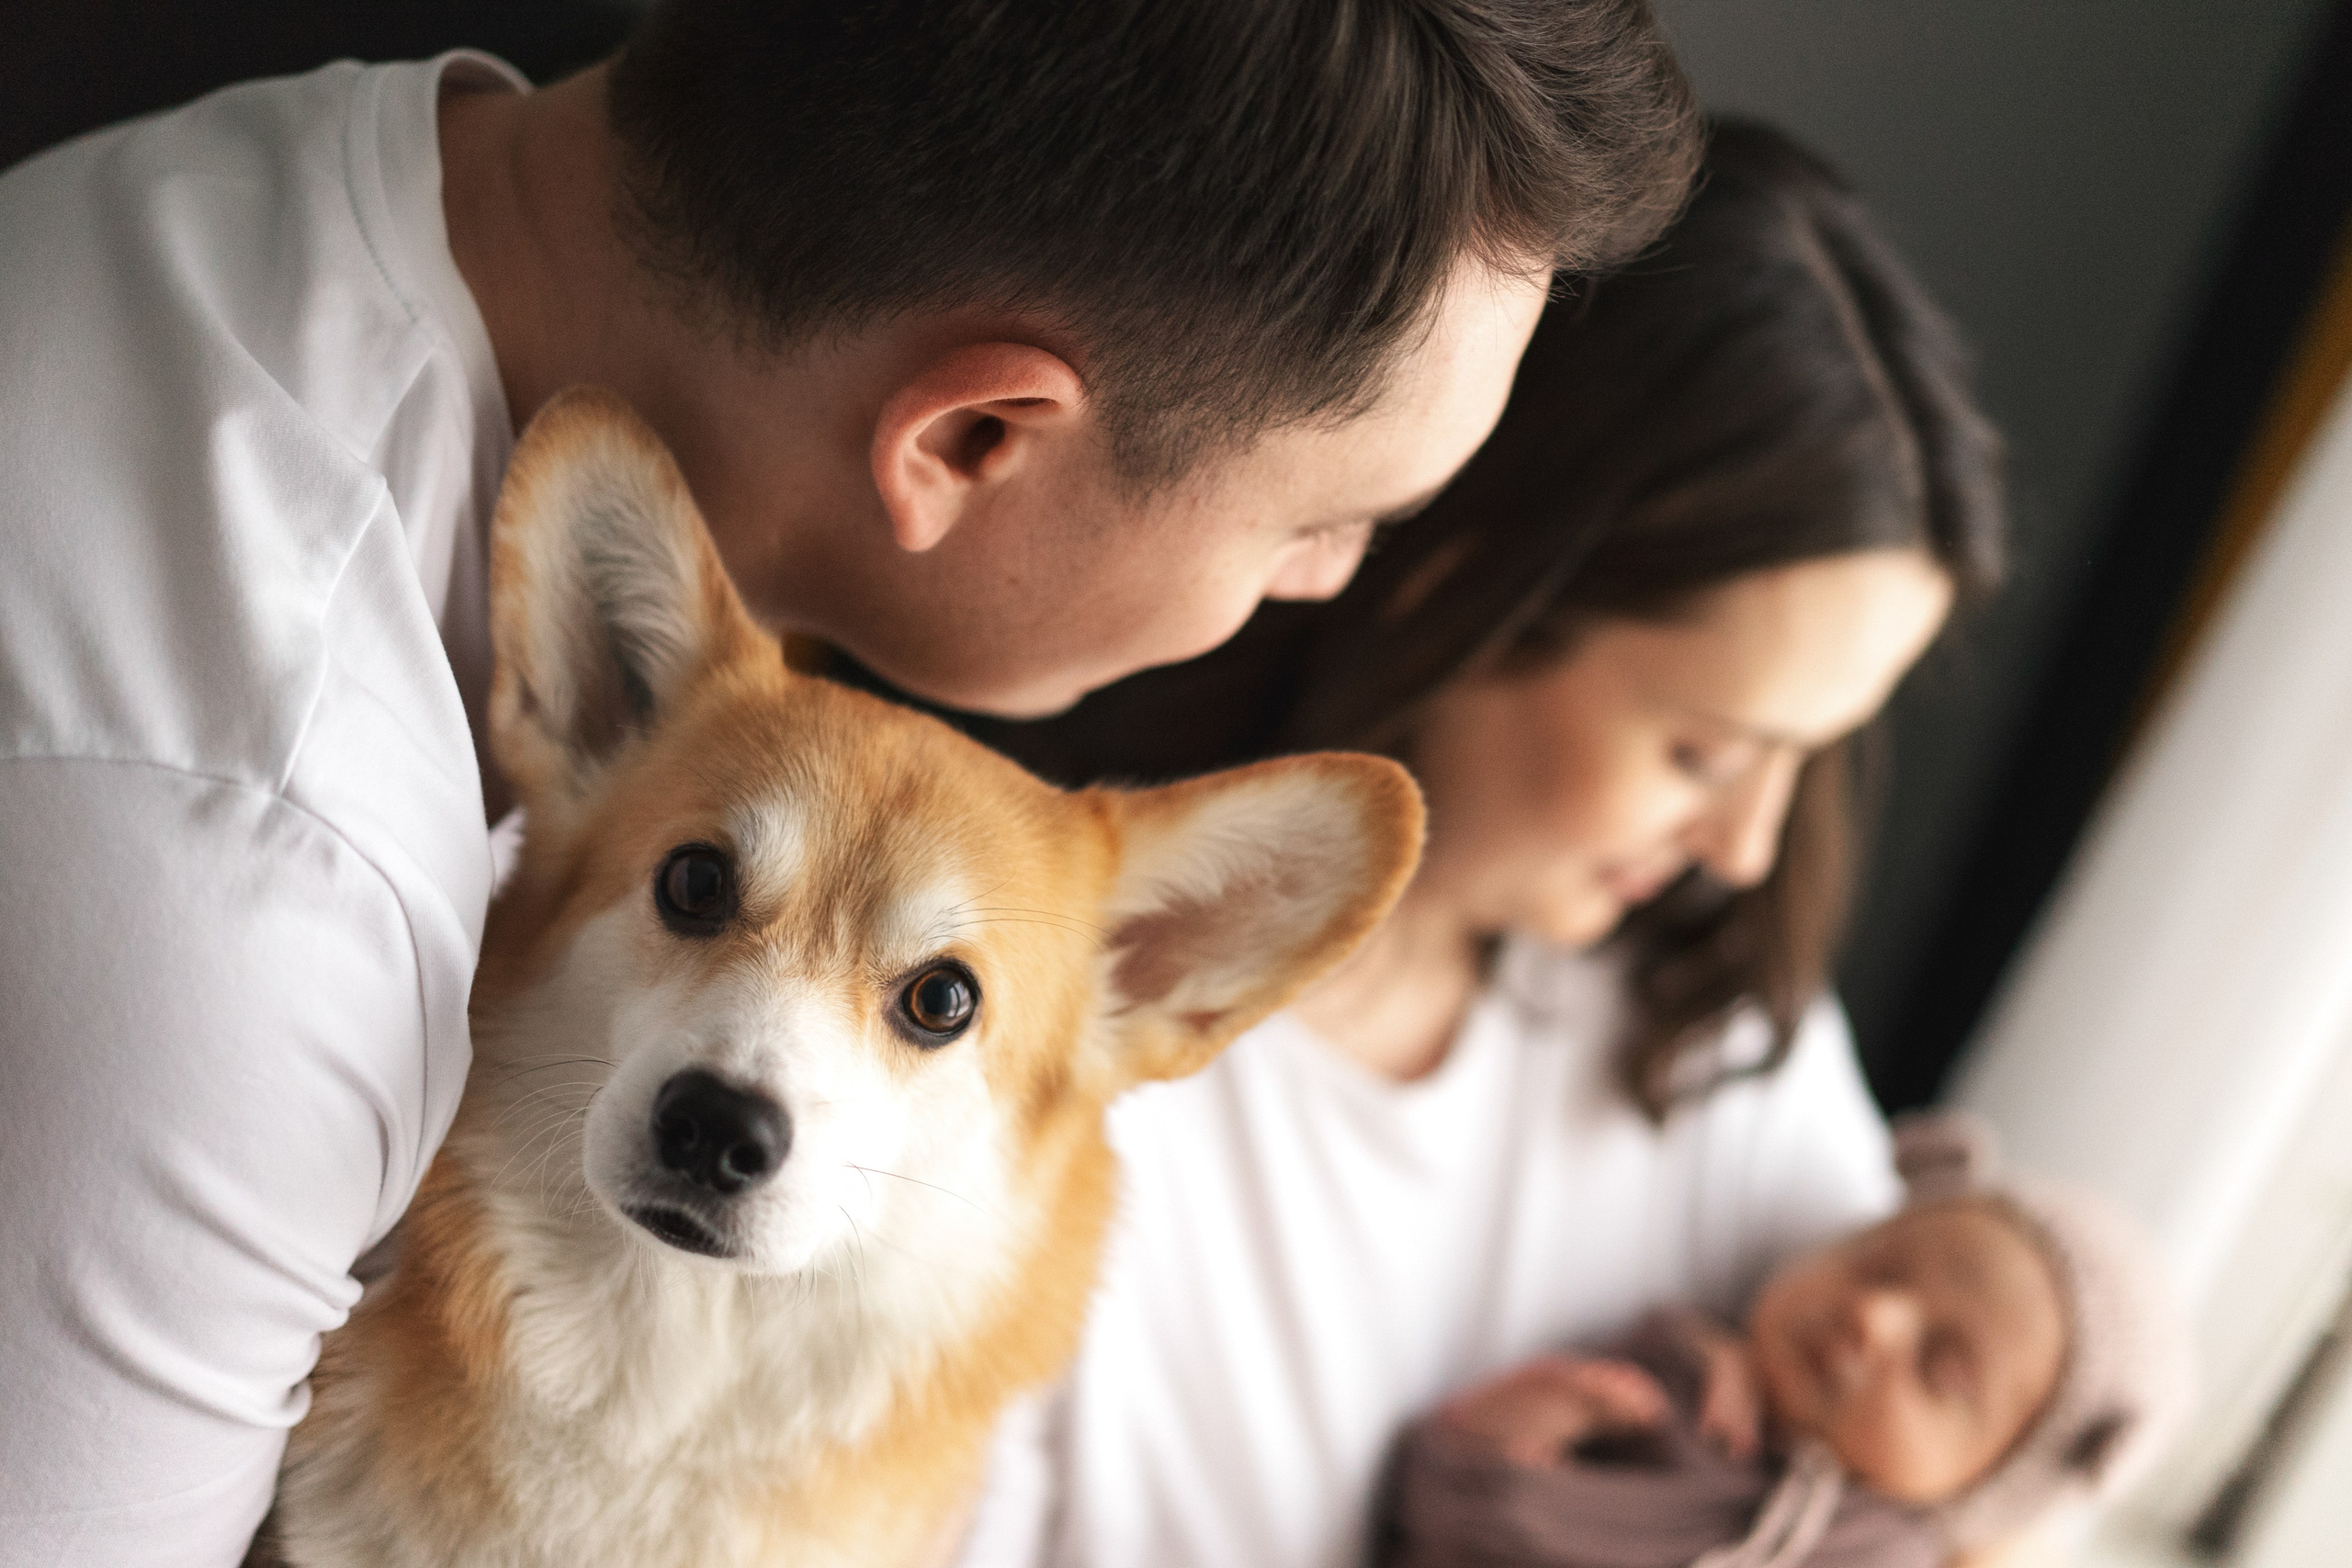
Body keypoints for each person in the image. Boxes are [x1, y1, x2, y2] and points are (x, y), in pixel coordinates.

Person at [0, 4, 1702, 1561]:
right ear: (972, 438)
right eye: (1327, 517)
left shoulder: (344, 173)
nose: (1328, 580)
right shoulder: (243, 898)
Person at [941, 122, 2007, 1568]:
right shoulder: (1012, 1040)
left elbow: (1949, 1504)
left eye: (1808, 762)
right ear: (1467, 578)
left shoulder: (1711, 1036)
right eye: (1703, 749)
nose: (1748, 847)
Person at [1382, 1113, 2193, 1568]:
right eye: (1879, 1264)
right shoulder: (1670, 1378)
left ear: (1982, 1482)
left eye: (1941, 1371)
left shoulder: (1895, 1551)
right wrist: (1503, 1436)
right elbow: (1450, 1517)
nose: (1875, 1318)